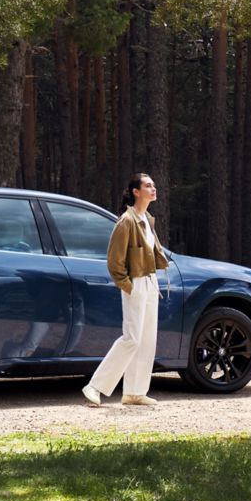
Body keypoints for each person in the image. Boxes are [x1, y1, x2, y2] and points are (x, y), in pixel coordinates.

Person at [83, 172, 170, 408]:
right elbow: (114, 261)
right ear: (136, 192)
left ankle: (134, 391)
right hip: (136, 284)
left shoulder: (146, 219)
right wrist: (128, 286)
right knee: (131, 338)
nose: (154, 189)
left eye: (153, 185)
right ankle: (95, 386)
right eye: (148, 185)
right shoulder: (127, 221)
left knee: (146, 339)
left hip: (151, 283)